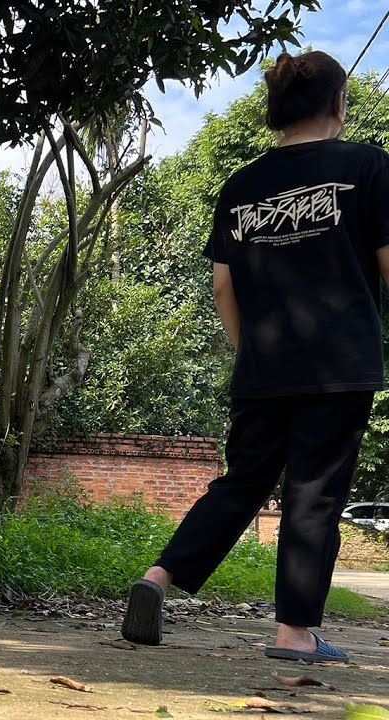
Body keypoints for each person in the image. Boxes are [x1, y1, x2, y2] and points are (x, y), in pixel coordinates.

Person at [122, 50, 389, 663]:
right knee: (313, 495)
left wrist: (252, 354)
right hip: (338, 364)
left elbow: (223, 287)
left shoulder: (240, 185)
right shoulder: (369, 166)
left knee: (242, 482)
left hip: (262, 366)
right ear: (338, 103)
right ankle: (294, 633)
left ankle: (158, 577)